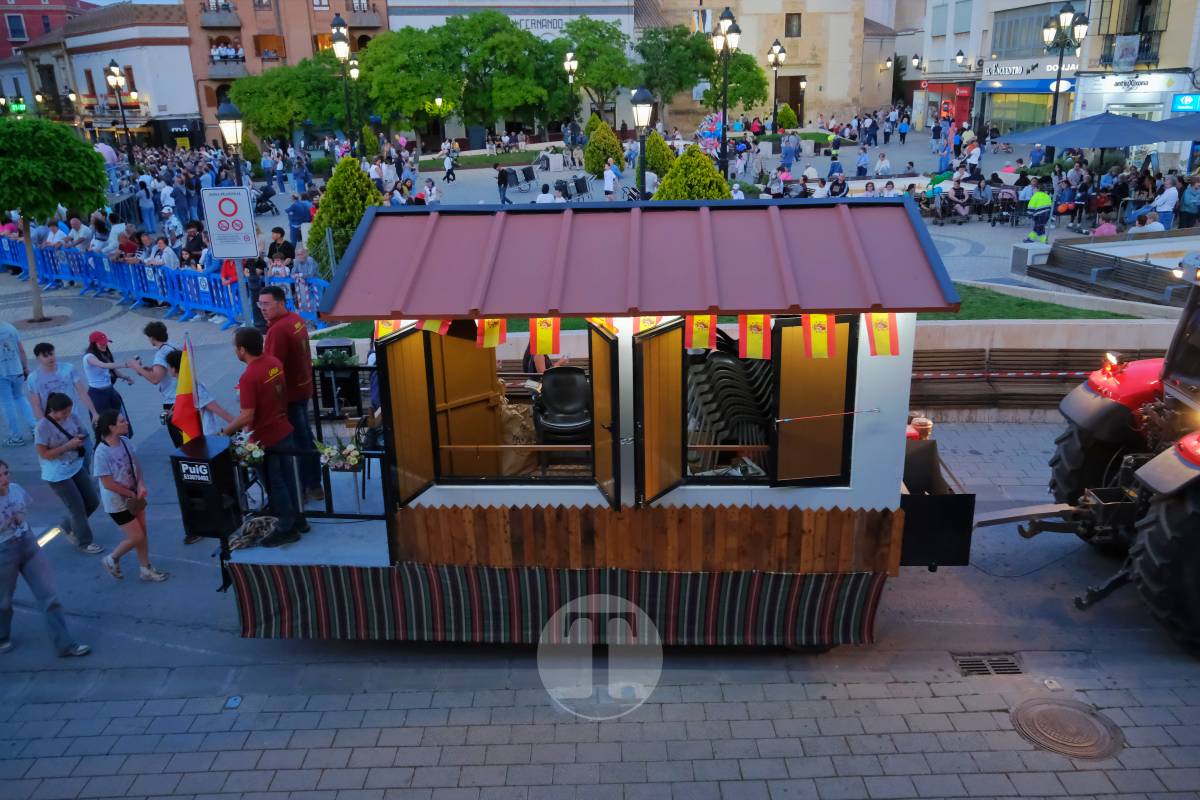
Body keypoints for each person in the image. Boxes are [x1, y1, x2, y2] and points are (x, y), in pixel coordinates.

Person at [221, 327, 303, 547]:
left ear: (242, 349)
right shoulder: (274, 362)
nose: (234, 351)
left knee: (275, 483)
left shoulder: (249, 376)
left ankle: (286, 526)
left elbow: (248, 414)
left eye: (235, 347)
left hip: (265, 438)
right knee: (288, 479)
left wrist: (225, 431)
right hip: (283, 427)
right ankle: (298, 519)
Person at [0, 459, 91, 657]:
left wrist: (20, 517)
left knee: (49, 597)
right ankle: (2, 635)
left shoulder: (15, 489)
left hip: (28, 543)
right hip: (4, 551)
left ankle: (64, 644)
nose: (4, 479)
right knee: (4, 601)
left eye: (6, 473)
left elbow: (25, 506)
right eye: (0, 476)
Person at [260, 285, 322, 503]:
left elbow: (271, 369)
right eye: (260, 304)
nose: (262, 309)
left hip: (291, 396)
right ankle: (314, 483)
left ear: (280, 303)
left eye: (267, 304)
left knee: (296, 442)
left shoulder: (277, 330)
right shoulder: (295, 319)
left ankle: (305, 486)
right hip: (303, 389)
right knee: (306, 437)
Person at [96, 411, 168, 583]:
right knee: (137, 537)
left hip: (134, 495)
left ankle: (145, 568)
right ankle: (112, 558)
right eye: (122, 421)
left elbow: (136, 466)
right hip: (117, 503)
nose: (126, 422)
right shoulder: (101, 453)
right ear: (111, 427)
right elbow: (108, 484)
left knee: (143, 532)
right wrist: (131, 493)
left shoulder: (125, 442)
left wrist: (141, 484)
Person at [34, 393, 102, 554]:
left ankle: (69, 525)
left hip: (75, 465)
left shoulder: (73, 417)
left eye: (69, 411)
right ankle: (84, 541)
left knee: (92, 500)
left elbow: (83, 432)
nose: (67, 415)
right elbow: (44, 454)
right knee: (77, 507)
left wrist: (79, 438)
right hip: (57, 473)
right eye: (63, 413)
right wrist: (67, 446)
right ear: (53, 411)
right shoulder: (42, 427)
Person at [125, 321, 181, 447]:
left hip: (173, 400)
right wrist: (148, 370)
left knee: (179, 438)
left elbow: (155, 379)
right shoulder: (173, 346)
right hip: (183, 393)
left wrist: (136, 367)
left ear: (151, 338)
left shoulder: (160, 354)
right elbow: (163, 371)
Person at [27, 343, 98, 439]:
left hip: (74, 419)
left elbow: (82, 392)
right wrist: (44, 424)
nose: (50, 358)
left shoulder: (68, 369)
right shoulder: (33, 378)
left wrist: (94, 413)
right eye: (45, 356)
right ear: (38, 358)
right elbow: (36, 405)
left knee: (86, 445)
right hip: (53, 423)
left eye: (51, 354)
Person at [164, 350, 233, 436]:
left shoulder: (194, 388)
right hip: (192, 434)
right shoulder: (182, 387)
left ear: (174, 369)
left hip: (206, 434)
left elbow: (218, 409)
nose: (167, 369)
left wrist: (239, 425)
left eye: (168, 367)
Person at [82, 332, 133, 429]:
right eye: (101, 343)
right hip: (97, 394)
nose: (104, 345)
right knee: (103, 424)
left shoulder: (104, 354)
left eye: (105, 342)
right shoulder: (89, 357)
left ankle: (122, 439)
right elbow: (103, 365)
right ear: (94, 344)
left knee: (119, 419)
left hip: (110, 391)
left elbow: (113, 370)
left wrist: (126, 377)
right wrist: (126, 364)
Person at [0, 321, 33, 447]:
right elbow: (21, 349)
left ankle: (16, 435)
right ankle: (34, 428)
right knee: (20, 397)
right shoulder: (10, 328)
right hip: (17, 369)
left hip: (2, 373)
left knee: (7, 403)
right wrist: (25, 367)